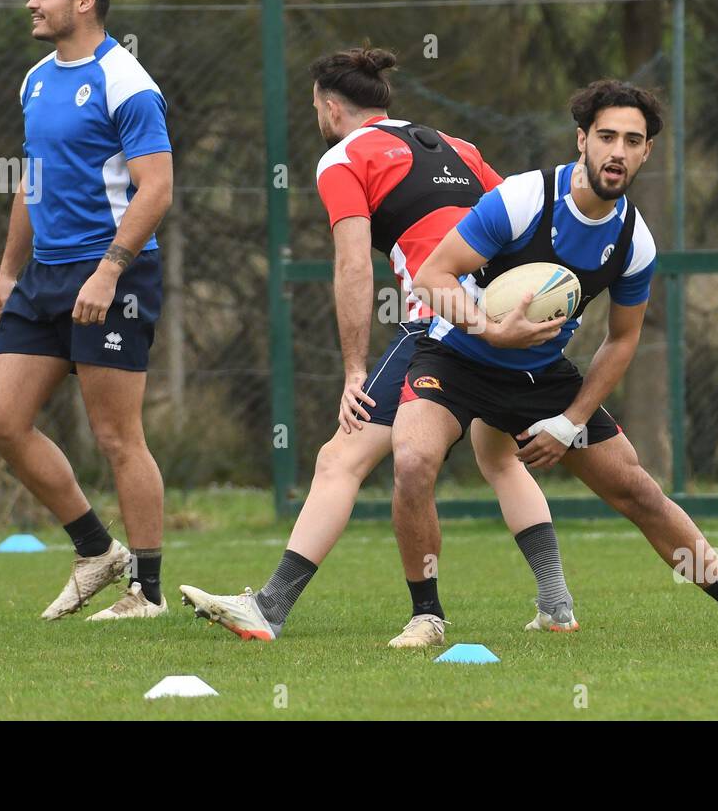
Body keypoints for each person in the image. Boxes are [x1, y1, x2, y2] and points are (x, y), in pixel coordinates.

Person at [180, 48, 578, 645]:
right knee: (496, 455)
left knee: (341, 458)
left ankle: (278, 607)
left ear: (331, 106)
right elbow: (522, 222)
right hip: (504, 321)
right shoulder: (458, 146)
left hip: (440, 326)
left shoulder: (342, 156)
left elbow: (352, 267)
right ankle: (557, 605)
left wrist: (354, 371)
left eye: (314, 104)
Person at [390, 78, 718, 643]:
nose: (618, 151)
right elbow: (433, 276)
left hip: (541, 375)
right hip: (456, 355)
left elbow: (622, 339)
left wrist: (572, 420)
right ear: (582, 140)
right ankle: (427, 617)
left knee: (637, 489)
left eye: (632, 140)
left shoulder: (635, 240)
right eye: (606, 136)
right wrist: (490, 329)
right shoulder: (523, 199)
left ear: (646, 152)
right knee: (413, 460)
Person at [0, 0, 174, 620]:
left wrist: (110, 269)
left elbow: (157, 188)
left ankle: (145, 594)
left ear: (83, 1)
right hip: (44, 277)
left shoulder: (127, 81)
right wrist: (9, 271)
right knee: (2, 423)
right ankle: (96, 549)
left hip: (113, 274)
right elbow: (31, 183)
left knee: (118, 437)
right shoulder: (36, 79)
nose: (32, 3)